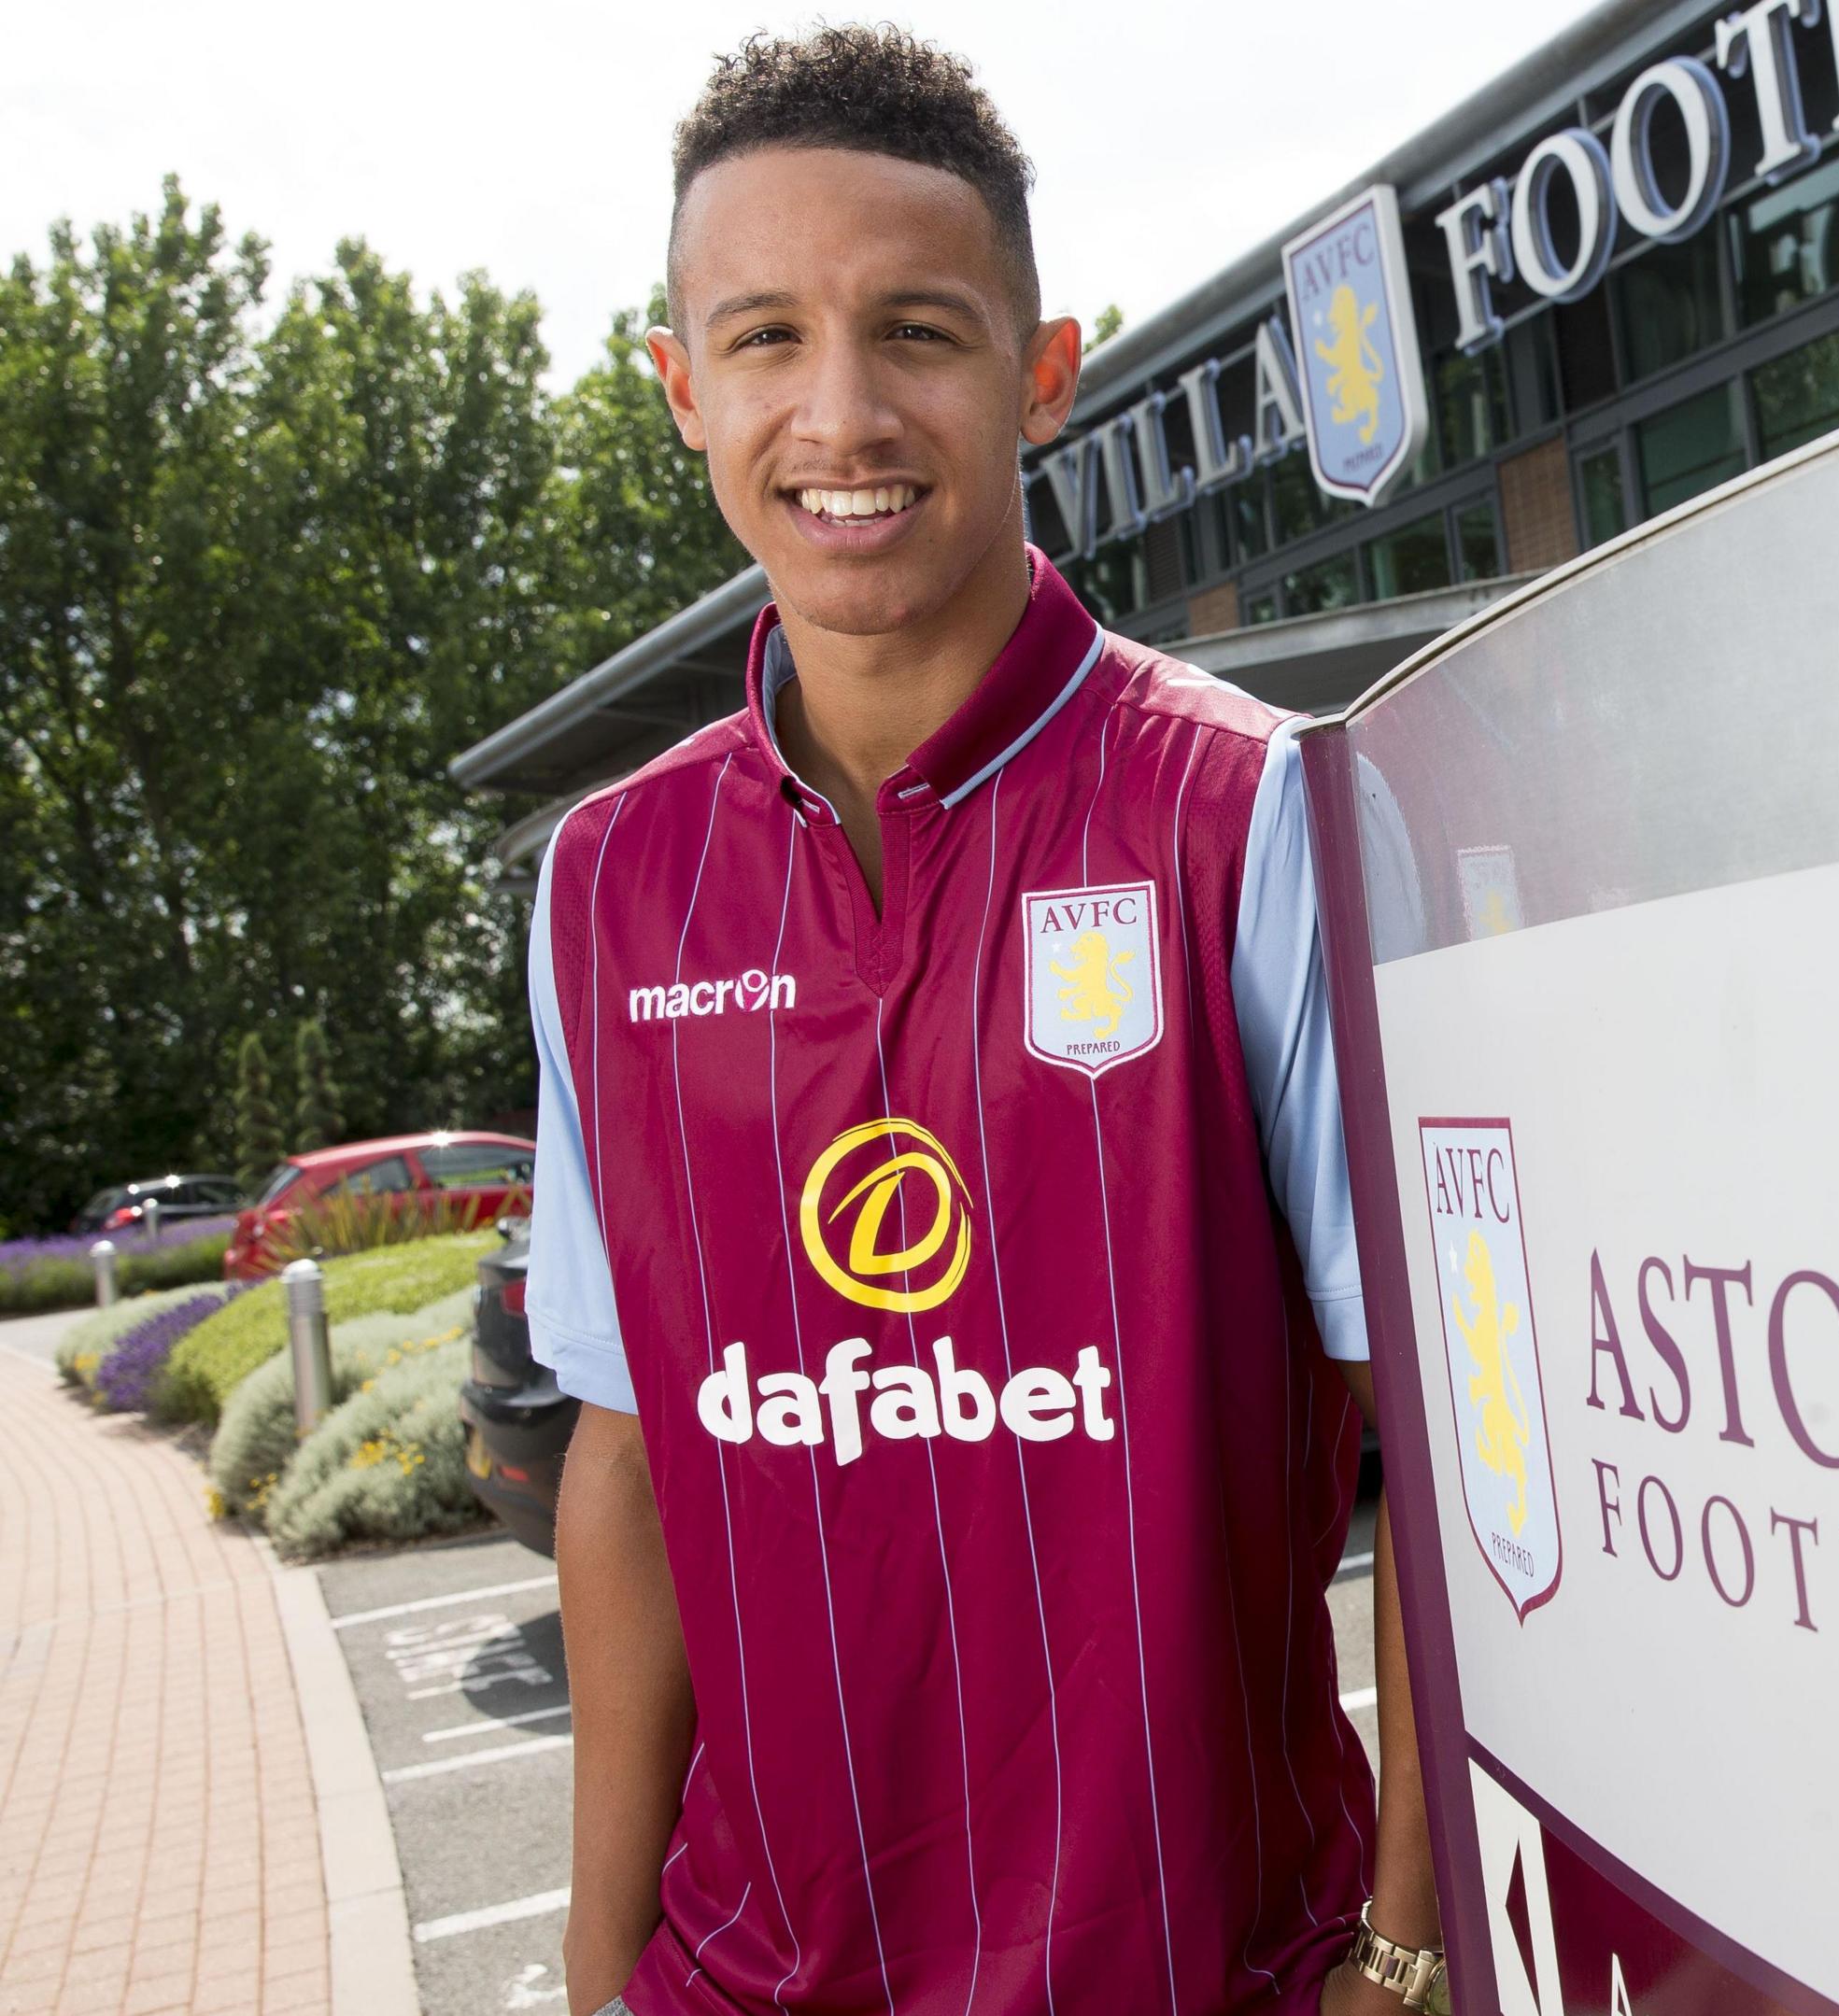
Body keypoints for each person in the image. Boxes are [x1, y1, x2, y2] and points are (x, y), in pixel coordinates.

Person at [521, 29, 1439, 2016]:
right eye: (763, 337)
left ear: (1044, 370)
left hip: (1211, 1975)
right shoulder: (606, 881)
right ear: (683, 390)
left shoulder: (1249, 815)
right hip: (742, 1984)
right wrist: (599, 1970)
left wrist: (1402, 1957)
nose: (838, 412)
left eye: (916, 331)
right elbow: (625, 1452)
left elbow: (1444, 1445)